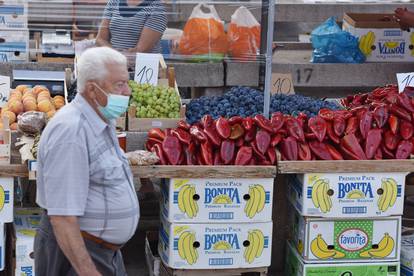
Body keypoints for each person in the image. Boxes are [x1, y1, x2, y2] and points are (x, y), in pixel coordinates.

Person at [34, 47, 139, 276]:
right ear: (93, 89)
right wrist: (88, 271)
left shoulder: (101, 119)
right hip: (77, 255)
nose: (128, 91)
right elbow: (62, 218)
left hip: (102, 252)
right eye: (119, 84)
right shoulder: (71, 133)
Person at [96, 0, 167, 54]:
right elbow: (100, 39)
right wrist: (115, 56)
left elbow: (141, 50)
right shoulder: (114, 2)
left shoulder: (157, 8)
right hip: (114, 64)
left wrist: (116, 57)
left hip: (142, 68)